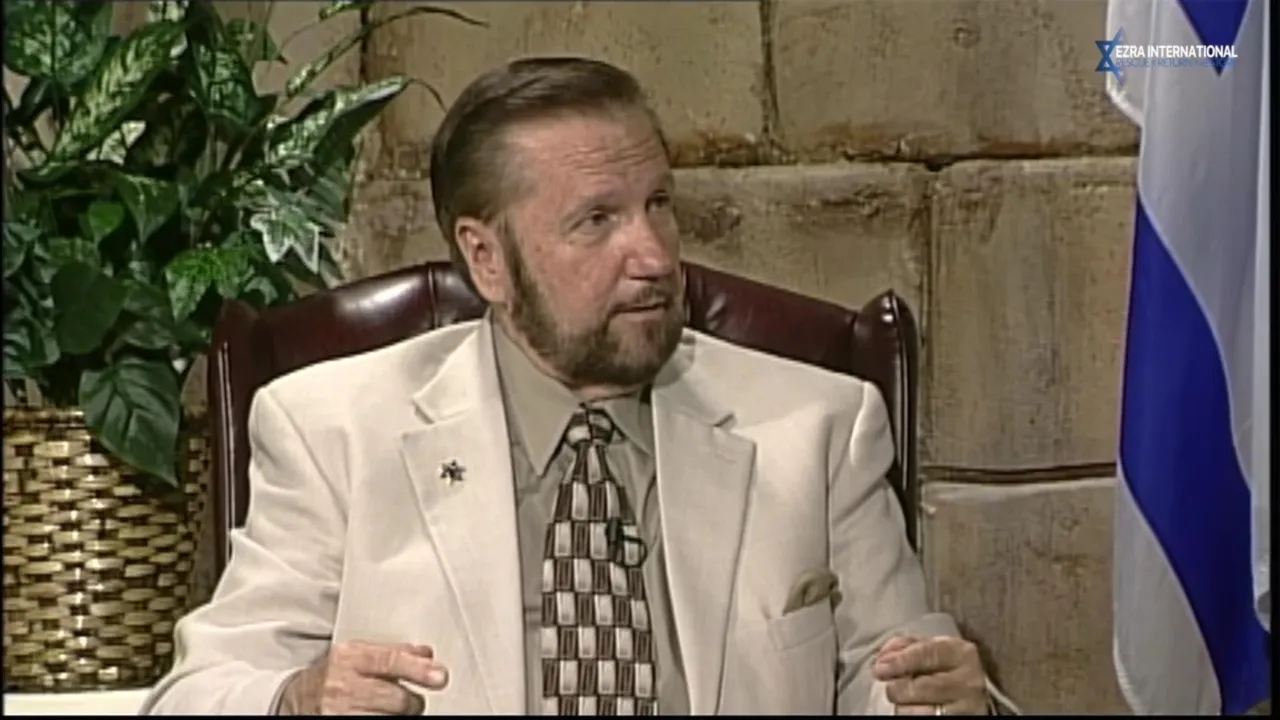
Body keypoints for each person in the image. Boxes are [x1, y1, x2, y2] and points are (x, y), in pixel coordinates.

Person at [142, 57, 1001, 716]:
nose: (654, 256)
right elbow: (198, 694)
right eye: (597, 220)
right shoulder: (332, 431)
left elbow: (901, 682)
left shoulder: (820, 428)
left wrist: (953, 706)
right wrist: (295, 699)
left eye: (658, 204)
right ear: (486, 258)